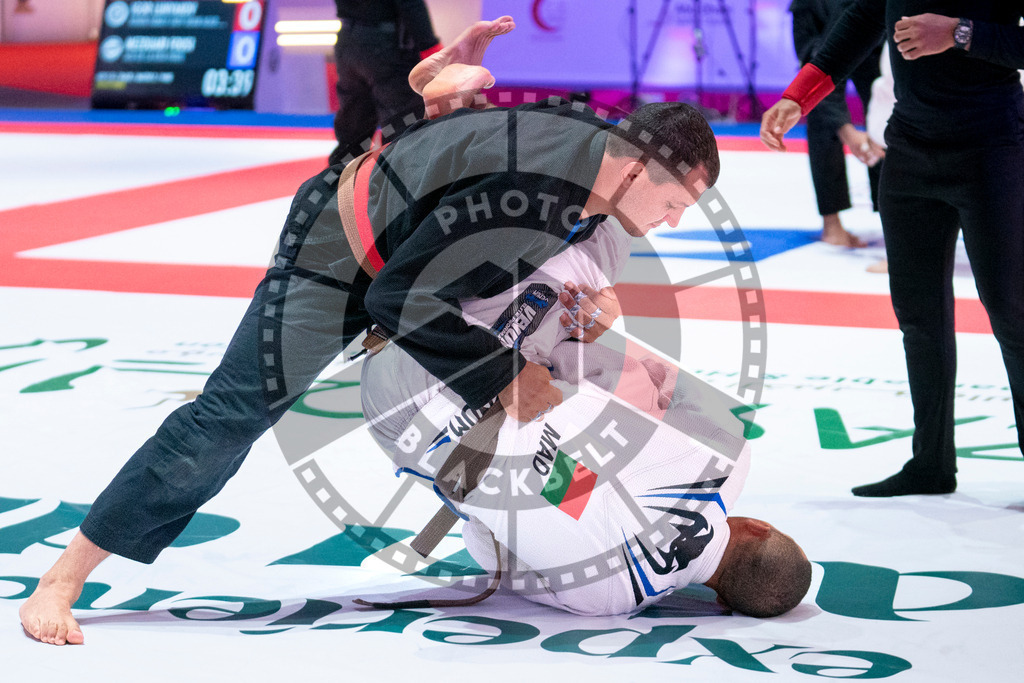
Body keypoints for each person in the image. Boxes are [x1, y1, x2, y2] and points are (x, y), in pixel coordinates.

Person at [19, 23, 720, 644]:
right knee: (230, 417)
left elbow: (474, 168)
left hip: (409, 230)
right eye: (672, 202)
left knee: (543, 335)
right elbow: (398, 299)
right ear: (635, 168)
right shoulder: (537, 192)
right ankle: (63, 577)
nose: (674, 222)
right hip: (337, 255)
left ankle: (512, 534)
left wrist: (445, 106)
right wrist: (505, 374)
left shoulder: (595, 149)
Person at [359, 222, 811, 618]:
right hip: (398, 414)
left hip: (452, 357)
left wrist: (567, 343)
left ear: (760, 528)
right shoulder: (608, 599)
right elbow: (482, 544)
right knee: (550, 485)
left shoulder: (729, 453)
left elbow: (634, 371)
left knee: (609, 232)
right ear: (723, 599)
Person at [761, 4, 1024, 497]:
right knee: (919, 318)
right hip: (910, 146)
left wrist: (960, 32)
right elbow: (861, 21)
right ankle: (931, 463)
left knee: (1013, 314)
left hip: (994, 146)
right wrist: (799, 97)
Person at [328, 3, 514, 164]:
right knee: (402, 125)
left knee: (354, 120)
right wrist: (430, 47)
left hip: (347, 39)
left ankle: (336, 181)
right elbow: (410, 3)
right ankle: (399, 182)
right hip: (387, 43)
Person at [790, 0, 885, 247]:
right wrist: (847, 131)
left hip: (873, 24)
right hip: (817, 17)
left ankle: (893, 221)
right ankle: (831, 224)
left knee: (888, 111)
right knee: (817, 100)